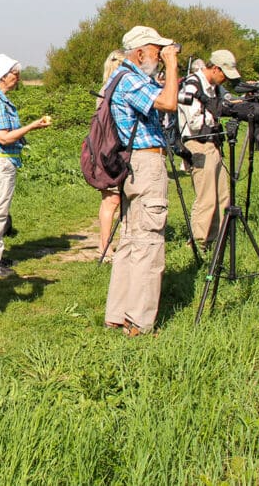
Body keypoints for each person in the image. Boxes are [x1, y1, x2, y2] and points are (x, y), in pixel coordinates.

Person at [103, 25, 180, 336]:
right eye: (155, 51)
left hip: (133, 163)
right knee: (149, 241)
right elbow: (169, 102)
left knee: (132, 240)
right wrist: (173, 65)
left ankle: (119, 313)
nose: (160, 57)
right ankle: (139, 322)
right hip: (145, 163)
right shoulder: (130, 79)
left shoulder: (121, 77)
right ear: (139, 52)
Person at [0, 53, 51, 276]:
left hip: (1, 162)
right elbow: (4, 138)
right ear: (2, 75)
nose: (17, 77)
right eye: (14, 73)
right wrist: (32, 126)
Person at [178, 50, 240, 251]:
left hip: (213, 143)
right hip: (198, 143)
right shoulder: (192, 85)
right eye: (224, 75)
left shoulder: (212, 87)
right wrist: (215, 112)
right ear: (215, 68)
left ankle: (217, 239)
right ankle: (198, 243)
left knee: (222, 195)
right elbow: (194, 122)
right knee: (206, 197)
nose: (225, 81)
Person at [96, 50, 126, 257]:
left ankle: (115, 244)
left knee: (118, 199)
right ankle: (105, 246)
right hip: (112, 152)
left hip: (108, 151)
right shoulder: (110, 91)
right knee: (112, 200)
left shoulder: (104, 90)